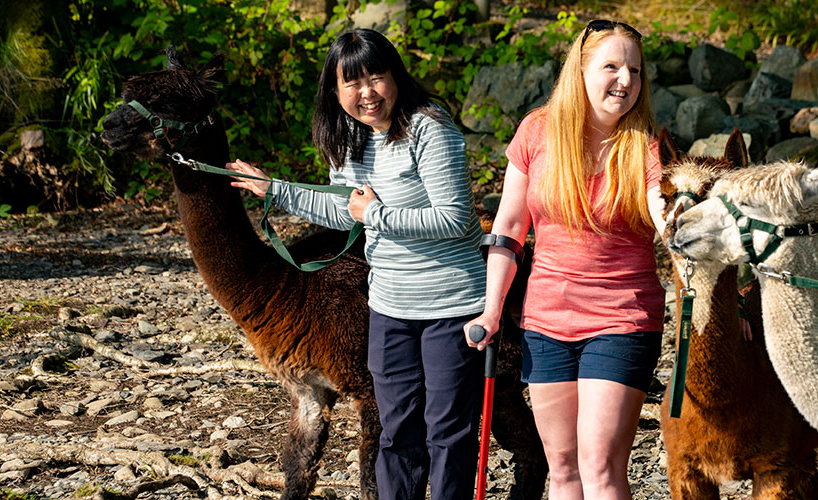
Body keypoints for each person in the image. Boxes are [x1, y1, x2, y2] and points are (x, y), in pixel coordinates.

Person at [226, 29, 486, 500]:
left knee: (447, 432)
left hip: (451, 301)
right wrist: (276, 191)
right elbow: (344, 213)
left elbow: (453, 218)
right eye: (353, 83)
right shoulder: (351, 141)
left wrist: (377, 214)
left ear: (396, 78)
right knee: (396, 428)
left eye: (377, 77)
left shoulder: (429, 127)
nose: (367, 93)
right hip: (388, 306)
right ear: (335, 90)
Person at [464, 19, 665, 500]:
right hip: (547, 319)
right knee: (563, 468)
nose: (625, 81)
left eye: (634, 71)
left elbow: (667, 220)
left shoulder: (644, 146)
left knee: (600, 466)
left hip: (623, 317)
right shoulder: (537, 131)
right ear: (580, 71)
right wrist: (492, 309)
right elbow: (510, 229)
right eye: (611, 66)